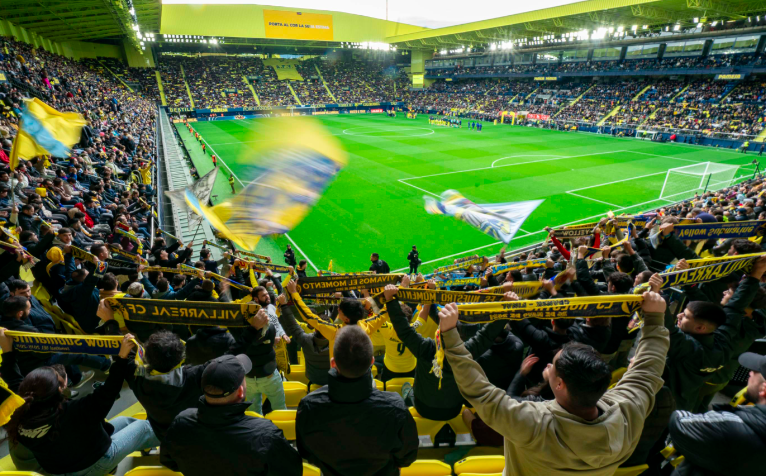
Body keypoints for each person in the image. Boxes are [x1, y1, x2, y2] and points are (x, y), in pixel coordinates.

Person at [439, 290, 670, 475]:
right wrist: (655, 319)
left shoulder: (534, 423)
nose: (549, 365)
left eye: (554, 365)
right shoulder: (628, 412)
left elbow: (480, 391)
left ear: (560, 384)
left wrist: (449, 334)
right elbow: (647, 371)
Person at [7, 334, 161, 476]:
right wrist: (121, 358)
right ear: (61, 388)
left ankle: (148, 443)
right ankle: (172, 441)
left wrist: (7, 350)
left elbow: (12, 378)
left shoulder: (20, 411)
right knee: (144, 427)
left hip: (60, 466)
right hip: (90, 465)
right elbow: (109, 391)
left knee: (126, 422)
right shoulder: (74, 411)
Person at [296, 326, 419, 476]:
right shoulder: (395, 407)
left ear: (333, 363)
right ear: (372, 362)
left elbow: (307, 452)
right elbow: (408, 455)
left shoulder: (308, 406)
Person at [161, 354, 303, 476]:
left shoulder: (181, 422)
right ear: (240, 391)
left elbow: (168, 460)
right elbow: (292, 470)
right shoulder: (266, 434)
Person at [668, 351, 766, 475]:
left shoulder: (730, 426)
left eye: (756, 371)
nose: (750, 373)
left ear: (763, 389)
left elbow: (678, 424)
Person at [123, 330, 211, 443]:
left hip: (166, 437)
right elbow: (227, 361)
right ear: (181, 357)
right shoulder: (196, 376)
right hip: (197, 433)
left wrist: (121, 337)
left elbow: (127, 361)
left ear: (146, 357)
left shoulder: (137, 380)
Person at [228, 307, 287, 415]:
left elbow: (231, 324)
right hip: (269, 378)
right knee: (280, 410)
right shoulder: (271, 328)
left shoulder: (240, 334)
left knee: (254, 413)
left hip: (249, 378)